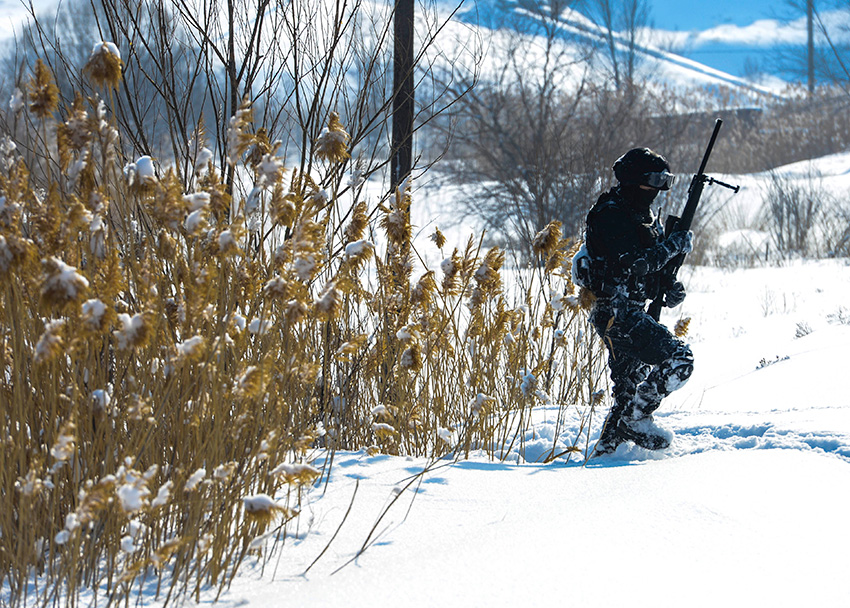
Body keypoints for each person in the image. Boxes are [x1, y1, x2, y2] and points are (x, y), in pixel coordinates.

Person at [574, 148, 694, 455]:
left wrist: (668, 287)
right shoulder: (611, 213)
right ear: (632, 180)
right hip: (617, 316)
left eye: (664, 182)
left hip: (631, 311)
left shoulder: (642, 216)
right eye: (652, 181)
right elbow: (635, 262)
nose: (657, 189)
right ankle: (637, 419)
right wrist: (672, 245)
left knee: (626, 395)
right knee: (679, 360)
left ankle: (605, 456)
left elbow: (646, 274)